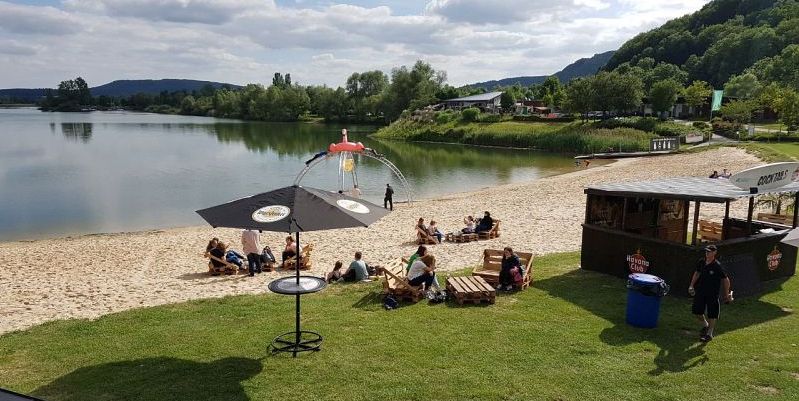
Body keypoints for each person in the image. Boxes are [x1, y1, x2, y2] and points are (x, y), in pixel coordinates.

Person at [688, 245, 733, 342]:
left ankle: (709, 334)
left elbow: (726, 280)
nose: (707, 253)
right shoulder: (701, 262)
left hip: (712, 293)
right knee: (697, 311)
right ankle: (705, 325)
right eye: (706, 251)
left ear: (714, 253)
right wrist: (691, 285)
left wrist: (727, 293)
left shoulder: (717, 266)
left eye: (709, 251)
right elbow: (697, 273)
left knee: (712, 313)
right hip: (700, 291)